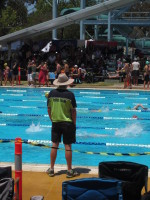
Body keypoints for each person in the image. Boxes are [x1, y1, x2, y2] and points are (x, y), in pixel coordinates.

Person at [46, 73, 79, 178]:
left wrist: (53, 120)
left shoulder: (51, 93)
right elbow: (73, 111)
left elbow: (49, 109)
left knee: (54, 145)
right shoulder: (70, 95)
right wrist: (74, 123)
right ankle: (69, 170)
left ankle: (51, 169)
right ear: (66, 84)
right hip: (67, 123)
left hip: (55, 122)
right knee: (67, 146)